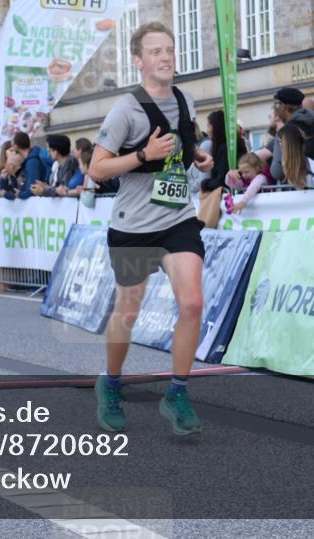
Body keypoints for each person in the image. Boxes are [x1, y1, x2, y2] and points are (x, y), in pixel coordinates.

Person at [87, 22, 214, 436]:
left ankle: (177, 392)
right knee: (128, 311)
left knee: (192, 303)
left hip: (177, 220)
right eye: (156, 51)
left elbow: (183, 148)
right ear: (139, 61)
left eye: (170, 50)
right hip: (134, 226)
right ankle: (111, 381)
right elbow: (97, 168)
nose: (166, 57)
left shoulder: (186, 100)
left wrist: (198, 159)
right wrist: (142, 153)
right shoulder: (125, 109)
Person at [268, 87, 314, 183]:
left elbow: (278, 172)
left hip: (304, 189)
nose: (275, 110)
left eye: (276, 105)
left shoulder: (287, 132)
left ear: (284, 107)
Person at [199, 109, 248, 193]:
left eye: (209, 126)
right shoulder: (234, 145)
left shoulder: (224, 148)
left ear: (217, 127)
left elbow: (221, 180)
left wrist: (204, 184)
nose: (207, 130)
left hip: (228, 196)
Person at [278, 124, 314, 189]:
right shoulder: (299, 158)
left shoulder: (309, 155)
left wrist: (309, 180)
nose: (280, 145)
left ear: (288, 143)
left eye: (281, 142)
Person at [11, 132, 49, 199]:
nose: (12, 148)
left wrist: (20, 194)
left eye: (13, 145)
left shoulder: (32, 162)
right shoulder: (30, 160)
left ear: (17, 146)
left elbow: (32, 188)